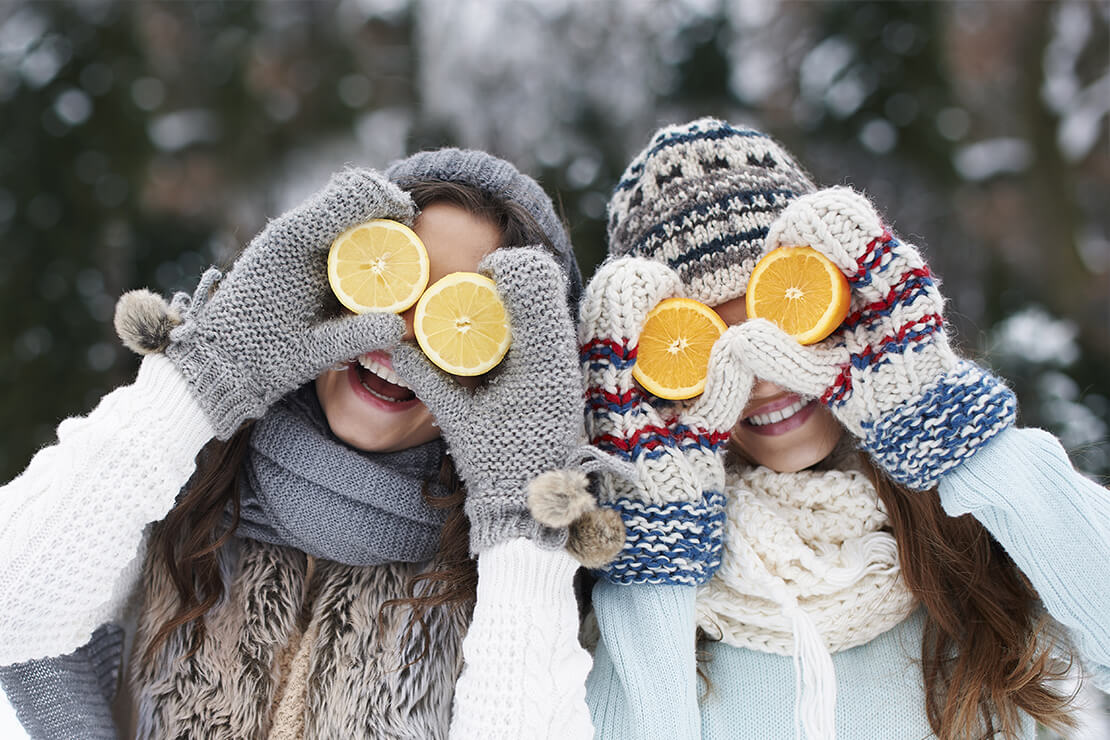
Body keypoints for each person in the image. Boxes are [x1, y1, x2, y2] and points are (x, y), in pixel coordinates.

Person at [0, 149, 594, 739]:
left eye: (458, 317)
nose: (398, 337)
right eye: (389, 277)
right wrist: (204, 378)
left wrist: (522, 524)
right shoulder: (183, 470)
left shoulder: (517, 581)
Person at [567, 118, 1110, 739]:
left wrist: (944, 426)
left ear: (848, 309)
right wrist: (656, 541)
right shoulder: (645, 604)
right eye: (708, 344)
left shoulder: (988, 528)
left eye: (784, 316)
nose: (764, 377)